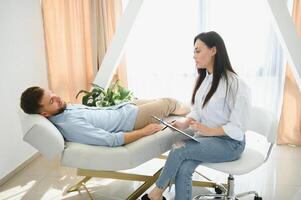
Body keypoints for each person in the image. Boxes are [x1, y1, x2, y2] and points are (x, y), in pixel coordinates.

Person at [143, 31, 251, 200]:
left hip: (231, 144)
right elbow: (198, 111)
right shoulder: (205, 80)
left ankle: (156, 193)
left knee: (179, 149)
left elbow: (238, 127)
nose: (194, 56)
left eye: (198, 51)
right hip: (209, 138)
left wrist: (209, 131)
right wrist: (185, 123)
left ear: (213, 50)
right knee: (184, 168)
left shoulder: (235, 84)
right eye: (194, 51)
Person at [20, 86, 190, 147]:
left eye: (53, 93)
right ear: (44, 113)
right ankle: (197, 111)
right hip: (132, 120)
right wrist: (144, 131)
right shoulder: (70, 125)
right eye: (52, 100)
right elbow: (109, 140)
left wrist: (128, 103)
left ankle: (194, 110)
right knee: (169, 102)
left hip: (124, 109)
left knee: (158, 100)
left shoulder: (64, 110)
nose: (57, 97)